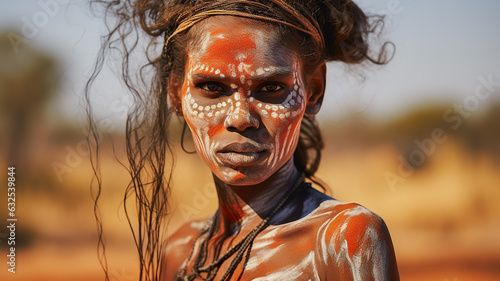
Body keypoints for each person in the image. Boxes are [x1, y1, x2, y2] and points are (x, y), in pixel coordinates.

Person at [87, 0, 399, 280]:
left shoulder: (345, 238)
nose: (240, 118)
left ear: (313, 90)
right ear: (176, 95)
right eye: (211, 87)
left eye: (271, 87)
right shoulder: (179, 252)